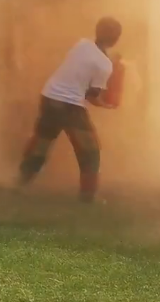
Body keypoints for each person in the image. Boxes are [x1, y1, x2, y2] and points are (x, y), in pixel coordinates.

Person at [17, 16, 123, 203]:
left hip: (49, 97)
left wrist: (109, 62)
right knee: (90, 151)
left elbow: (88, 62)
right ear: (116, 38)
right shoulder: (105, 65)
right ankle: (89, 196)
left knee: (42, 144)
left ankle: (20, 183)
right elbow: (92, 96)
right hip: (70, 106)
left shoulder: (82, 44)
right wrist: (107, 105)